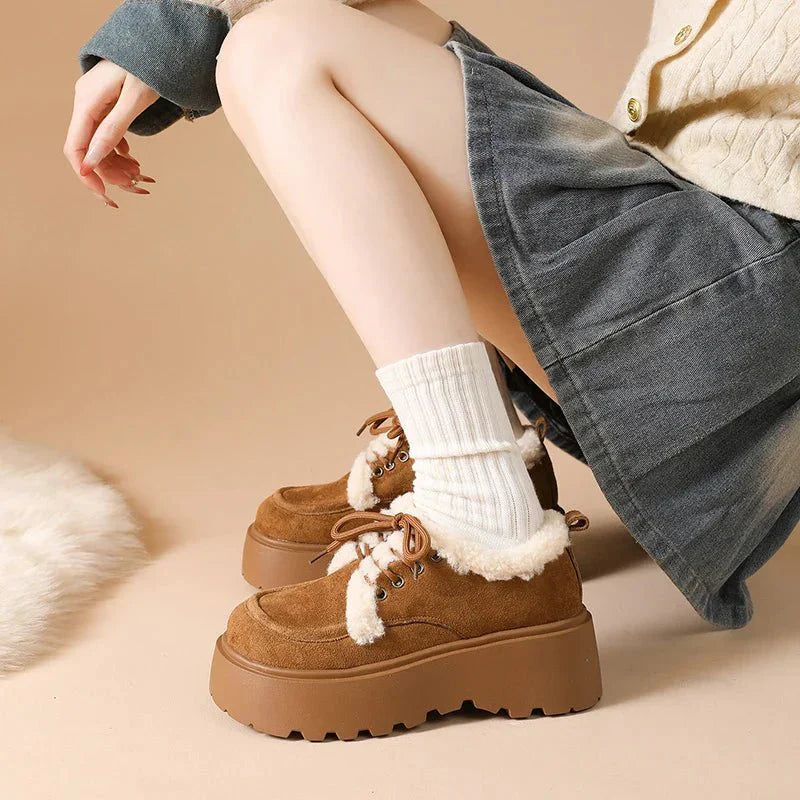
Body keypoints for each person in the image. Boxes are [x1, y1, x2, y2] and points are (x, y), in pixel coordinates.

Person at [64, 0, 800, 739]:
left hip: (750, 287)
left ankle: (487, 530)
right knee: (365, 17)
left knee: (279, 51)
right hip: (688, 213)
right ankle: (486, 436)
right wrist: (170, 29)